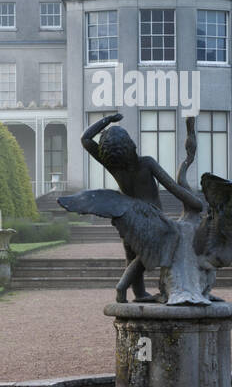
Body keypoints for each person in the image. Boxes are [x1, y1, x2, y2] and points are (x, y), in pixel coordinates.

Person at [81, 112, 203, 302]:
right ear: (130, 145)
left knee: (132, 254)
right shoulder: (146, 163)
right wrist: (196, 203)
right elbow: (172, 186)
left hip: (127, 215)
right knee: (160, 246)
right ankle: (121, 286)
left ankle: (138, 294)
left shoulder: (114, 166)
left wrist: (108, 119)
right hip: (151, 218)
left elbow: (85, 138)